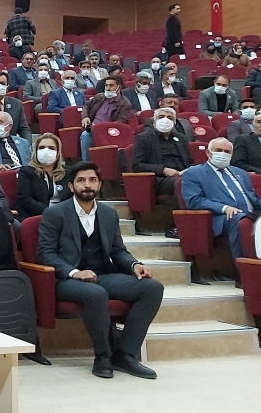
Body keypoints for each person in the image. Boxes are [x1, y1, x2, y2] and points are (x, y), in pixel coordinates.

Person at [38, 161, 162, 379]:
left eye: (92, 180)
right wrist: (74, 272)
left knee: (152, 288)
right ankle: (103, 356)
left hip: (102, 274)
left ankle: (125, 354)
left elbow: (117, 250)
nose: (87, 185)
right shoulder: (55, 213)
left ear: (99, 184)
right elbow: (46, 253)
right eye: (81, 180)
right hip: (67, 280)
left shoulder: (108, 214)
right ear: (71, 186)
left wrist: (135, 265)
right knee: (95, 294)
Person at [184, 137, 261, 285]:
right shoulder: (195, 173)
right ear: (208, 153)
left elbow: (253, 198)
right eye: (218, 150)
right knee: (238, 219)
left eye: (227, 151)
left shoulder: (240, 173)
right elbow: (194, 200)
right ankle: (244, 275)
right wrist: (224, 208)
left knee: (246, 219)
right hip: (221, 217)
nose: (223, 154)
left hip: (251, 214)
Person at [132, 108, 194, 238]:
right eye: (161, 117)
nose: (165, 120)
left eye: (169, 118)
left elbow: (190, 162)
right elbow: (137, 165)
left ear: (174, 123)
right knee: (181, 183)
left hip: (183, 175)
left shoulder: (181, 138)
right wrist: (163, 170)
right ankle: (175, 226)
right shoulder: (144, 138)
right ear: (154, 121)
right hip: (158, 179)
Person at [16, 133, 70, 220]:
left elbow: (72, 198)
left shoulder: (68, 172)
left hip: (64, 216)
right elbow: (25, 200)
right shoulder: (26, 172)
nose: (46, 151)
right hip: (37, 216)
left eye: (51, 148)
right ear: (36, 151)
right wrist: (51, 212)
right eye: (42, 148)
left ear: (58, 153)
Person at [79, 76, 132, 161]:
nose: (108, 88)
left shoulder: (125, 103)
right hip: (92, 129)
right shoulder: (99, 97)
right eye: (106, 85)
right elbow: (86, 105)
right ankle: (86, 164)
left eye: (111, 85)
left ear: (119, 87)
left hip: (109, 131)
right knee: (85, 135)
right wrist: (85, 117)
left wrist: (101, 128)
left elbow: (121, 122)